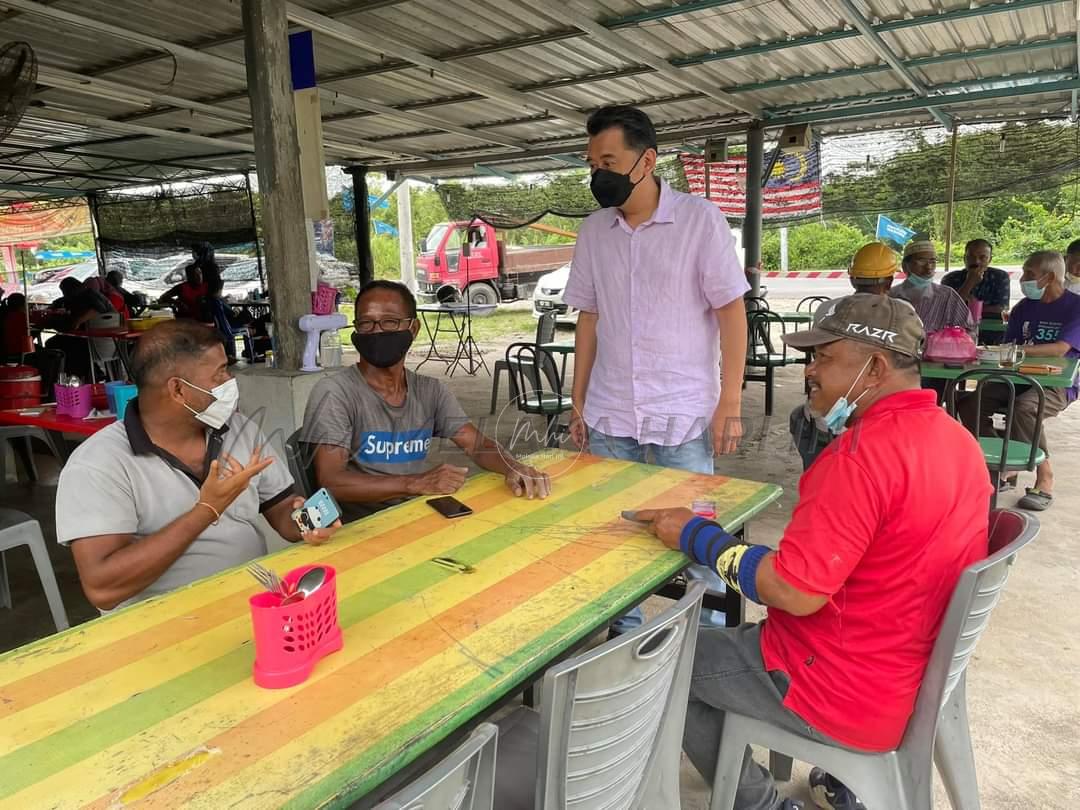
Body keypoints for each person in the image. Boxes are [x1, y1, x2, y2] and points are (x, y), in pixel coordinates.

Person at [631, 295, 991, 810]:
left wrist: (695, 536)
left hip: (837, 683)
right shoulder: (957, 442)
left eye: (823, 356)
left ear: (876, 367)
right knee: (711, 645)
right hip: (902, 668)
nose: (809, 370)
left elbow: (793, 592)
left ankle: (761, 805)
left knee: (661, 669)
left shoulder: (859, 459)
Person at [562, 105, 748, 632]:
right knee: (616, 527)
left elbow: (731, 312)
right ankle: (626, 630)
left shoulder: (698, 220)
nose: (599, 173)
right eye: (592, 162)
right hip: (610, 410)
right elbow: (589, 318)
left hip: (683, 411)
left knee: (694, 527)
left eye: (609, 160)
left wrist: (728, 402)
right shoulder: (596, 231)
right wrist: (577, 402)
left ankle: (705, 632)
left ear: (647, 161)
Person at [55, 320, 339, 611]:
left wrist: (307, 522)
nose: (231, 381)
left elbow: (281, 509)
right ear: (178, 390)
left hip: (253, 601)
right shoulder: (98, 465)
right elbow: (102, 588)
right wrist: (206, 510)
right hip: (163, 624)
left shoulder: (239, 429)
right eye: (220, 374)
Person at [301, 280, 550, 522]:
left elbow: (477, 444)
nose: (376, 331)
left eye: (389, 322)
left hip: (415, 515)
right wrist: (416, 483)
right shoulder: (334, 392)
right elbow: (331, 480)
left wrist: (512, 467)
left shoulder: (430, 391)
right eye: (366, 323)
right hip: (359, 528)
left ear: (414, 328)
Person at [959, 250, 1080, 512]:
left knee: (1025, 408)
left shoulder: (1076, 307)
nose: (1023, 279)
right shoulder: (1023, 308)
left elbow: (1060, 348)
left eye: (1029, 274)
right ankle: (1003, 464)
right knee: (970, 401)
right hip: (1016, 376)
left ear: (1049, 277)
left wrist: (1017, 351)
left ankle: (1044, 477)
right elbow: (1008, 346)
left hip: (1057, 382)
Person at [788, 242, 897, 470]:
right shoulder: (902, 315)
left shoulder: (827, 310)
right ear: (890, 280)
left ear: (851, 278)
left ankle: (819, 473)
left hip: (832, 413)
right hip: (878, 414)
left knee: (801, 417)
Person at [889, 240, 975, 336]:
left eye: (933, 261)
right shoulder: (891, 296)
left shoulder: (947, 295)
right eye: (921, 261)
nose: (928, 267)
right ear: (905, 266)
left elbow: (969, 331)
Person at [45, 277, 116, 380]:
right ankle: (87, 372)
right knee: (60, 342)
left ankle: (72, 376)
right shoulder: (82, 295)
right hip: (102, 341)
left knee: (56, 344)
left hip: (97, 341)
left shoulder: (89, 295)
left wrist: (78, 321)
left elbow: (98, 309)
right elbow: (62, 301)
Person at [941, 238, 1011, 322]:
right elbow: (947, 309)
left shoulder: (1000, 276)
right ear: (964, 258)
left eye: (982, 258)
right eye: (971, 257)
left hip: (992, 330)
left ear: (990, 260)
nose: (976, 262)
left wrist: (969, 307)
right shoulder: (950, 278)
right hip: (958, 331)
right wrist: (969, 282)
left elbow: (1002, 308)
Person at [0, 292, 31, 360]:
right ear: (22, 305)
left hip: (4, 349)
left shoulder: (5, 315)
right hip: (18, 350)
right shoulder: (22, 317)